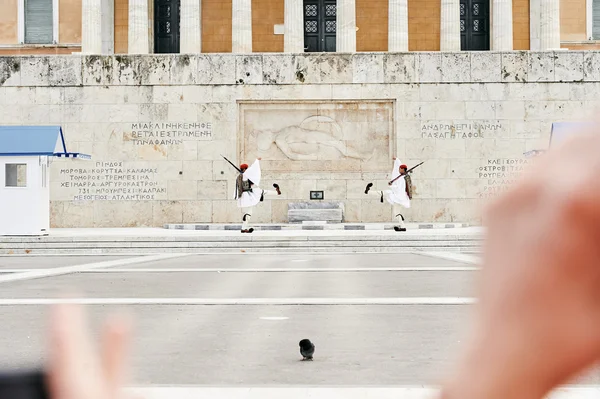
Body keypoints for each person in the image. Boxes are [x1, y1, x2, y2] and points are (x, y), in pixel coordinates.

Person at [364, 157, 412, 232]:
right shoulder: (402, 177)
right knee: (396, 211)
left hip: (399, 198)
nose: (398, 170)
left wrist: (391, 185)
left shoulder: (402, 179)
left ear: (402, 170)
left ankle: (368, 192)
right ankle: (402, 226)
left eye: (400, 169)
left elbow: (399, 188)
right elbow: (400, 165)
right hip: (399, 198)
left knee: (388, 195)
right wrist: (397, 160)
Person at [234, 158, 281, 233]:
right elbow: (252, 170)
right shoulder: (244, 175)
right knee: (248, 213)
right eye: (246, 168)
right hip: (247, 196)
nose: (247, 170)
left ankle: (276, 192)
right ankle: (243, 228)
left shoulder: (240, 176)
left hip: (246, 195)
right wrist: (256, 161)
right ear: (244, 169)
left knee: (260, 192)